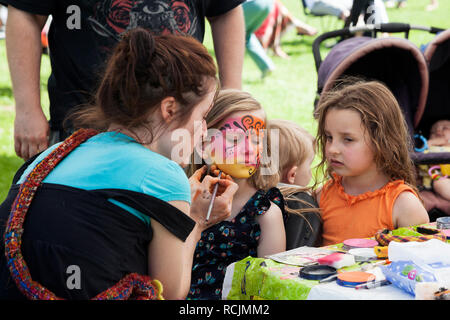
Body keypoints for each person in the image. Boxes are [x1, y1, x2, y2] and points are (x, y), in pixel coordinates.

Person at [0, 28, 238, 300]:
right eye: (204, 115)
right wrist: (196, 221)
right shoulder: (164, 176)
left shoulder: (50, 156)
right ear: (169, 109)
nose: (206, 131)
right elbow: (169, 293)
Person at [2, 0, 246, 161]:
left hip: (181, 121)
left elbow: (225, 10)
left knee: (175, 216)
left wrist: (232, 100)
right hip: (84, 120)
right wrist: (27, 109)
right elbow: (27, 11)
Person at [187, 89, 286, 299]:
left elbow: (270, 292)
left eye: (257, 140)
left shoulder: (266, 215)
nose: (249, 149)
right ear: (204, 144)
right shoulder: (182, 197)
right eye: (234, 140)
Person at [314, 79, 429, 246]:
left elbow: (418, 267)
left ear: (382, 142)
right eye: (329, 137)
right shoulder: (322, 196)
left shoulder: (403, 206)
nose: (332, 149)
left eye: (348, 139)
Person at [268, 119, 322, 249]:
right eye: (309, 165)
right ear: (292, 175)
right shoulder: (300, 203)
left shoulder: (254, 198)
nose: (310, 171)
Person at [242, 0, 276, 78]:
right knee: (246, 35)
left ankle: (227, 78)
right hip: (268, 4)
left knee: (230, 34)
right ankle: (266, 66)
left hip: (252, 3)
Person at [424, 120, 450, 201]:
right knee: (439, 183)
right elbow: (421, 156)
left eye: (445, 128)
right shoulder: (430, 149)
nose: (438, 131)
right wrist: (429, 144)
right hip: (439, 175)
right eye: (433, 132)